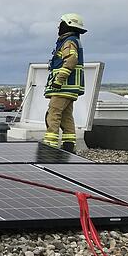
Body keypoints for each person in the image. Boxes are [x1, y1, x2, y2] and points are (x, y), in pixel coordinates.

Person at [43, 13, 86, 152]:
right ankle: (68, 145)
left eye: (61, 24)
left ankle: (50, 144)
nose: (58, 26)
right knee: (66, 116)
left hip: (63, 87)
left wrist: (58, 80)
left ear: (67, 25)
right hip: (71, 88)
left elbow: (71, 60)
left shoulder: (68, 42)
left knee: (53, 114)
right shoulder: (73, 40)